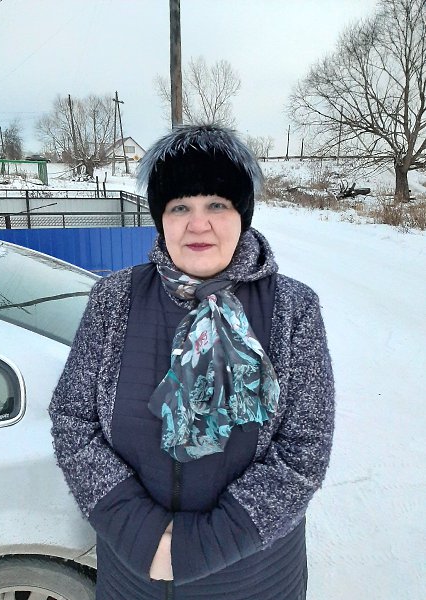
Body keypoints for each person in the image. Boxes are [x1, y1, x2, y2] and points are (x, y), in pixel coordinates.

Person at [49, 124, 335, 600]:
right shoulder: (113, 299)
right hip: (132, 576)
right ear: (160, 217)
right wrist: (141, 535)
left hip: (254, 580)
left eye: (217, 205)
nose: (198, 225)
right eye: (179, 206)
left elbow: (304, 449)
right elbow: (72, 420)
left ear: (242, 215)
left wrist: (199, 547)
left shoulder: (292, 308)